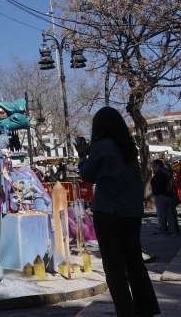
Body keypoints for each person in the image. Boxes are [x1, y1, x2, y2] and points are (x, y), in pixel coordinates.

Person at [79, 106, 159, 317]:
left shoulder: (101, 146)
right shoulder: (128, 147)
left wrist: (82, 156)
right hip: (131, 213)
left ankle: (125, 311)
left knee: (114, 268)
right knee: (134, 263)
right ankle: (147, 308)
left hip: (108, 213)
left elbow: (88, 175)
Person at [151, 159, 178, 235]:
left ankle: (162, 229)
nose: (153, 167)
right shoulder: (168, 172)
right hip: (169, 195)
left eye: (154, 166)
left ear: (159, 166)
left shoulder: (160, 174)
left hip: (161, 196)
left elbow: (158, 185)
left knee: (161, 214)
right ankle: (173, 230)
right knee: (170, 214)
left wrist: (156, 193)